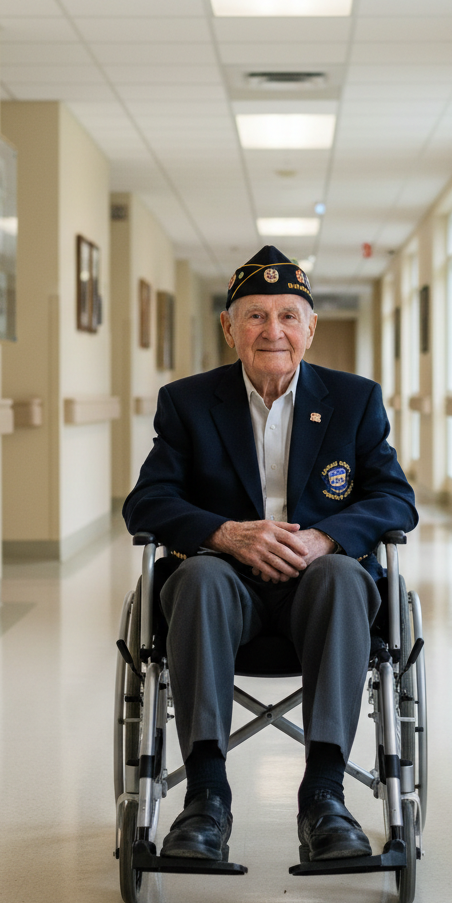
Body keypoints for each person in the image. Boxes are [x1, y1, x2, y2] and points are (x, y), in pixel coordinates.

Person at [123, 245, 417, 864]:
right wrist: (227, 534)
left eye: (288, 315)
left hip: (320, 593)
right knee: (197, 576)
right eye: (255, 315)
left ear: (311, 327)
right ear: (229, 329)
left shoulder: (355, 400)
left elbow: (396, 500)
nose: (272, 331)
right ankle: (205, 798)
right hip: (223, 594)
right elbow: (146, 502)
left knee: (342, 576)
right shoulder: (188, 401)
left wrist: (324, 538)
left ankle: (325, 797)